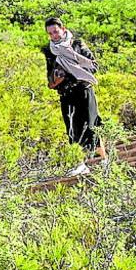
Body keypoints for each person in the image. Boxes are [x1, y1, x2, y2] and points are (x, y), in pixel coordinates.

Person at [42, 17, 102, 175]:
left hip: (83, 88)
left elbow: (93, 65)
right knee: (72, 128)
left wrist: (74, 66)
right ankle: (79, 163)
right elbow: (49, 77)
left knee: (91, 124)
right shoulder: (49, 51)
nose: (54, 36)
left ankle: (101, 159)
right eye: (50, 33)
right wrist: (56, 78)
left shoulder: (77, 44)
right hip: (66, 93)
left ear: (63, 29)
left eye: (55, 31)